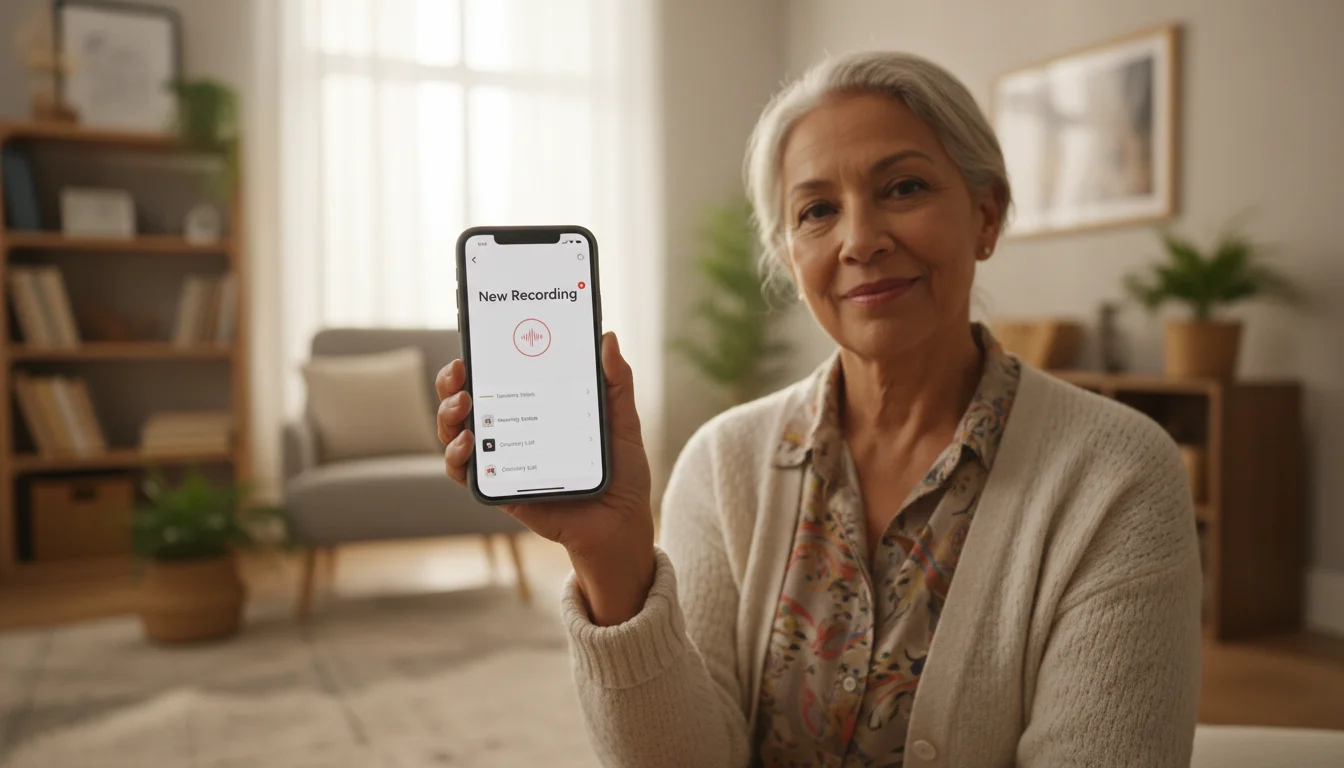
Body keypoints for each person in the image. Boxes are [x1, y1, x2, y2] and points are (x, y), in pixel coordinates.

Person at [435, 50, 1201, 768]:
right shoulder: (722, 461)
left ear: (986, 215)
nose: (861, 241)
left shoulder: (1117, 473)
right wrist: (611, 556)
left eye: (904, 188)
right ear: (789, 257)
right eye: (817, 211)